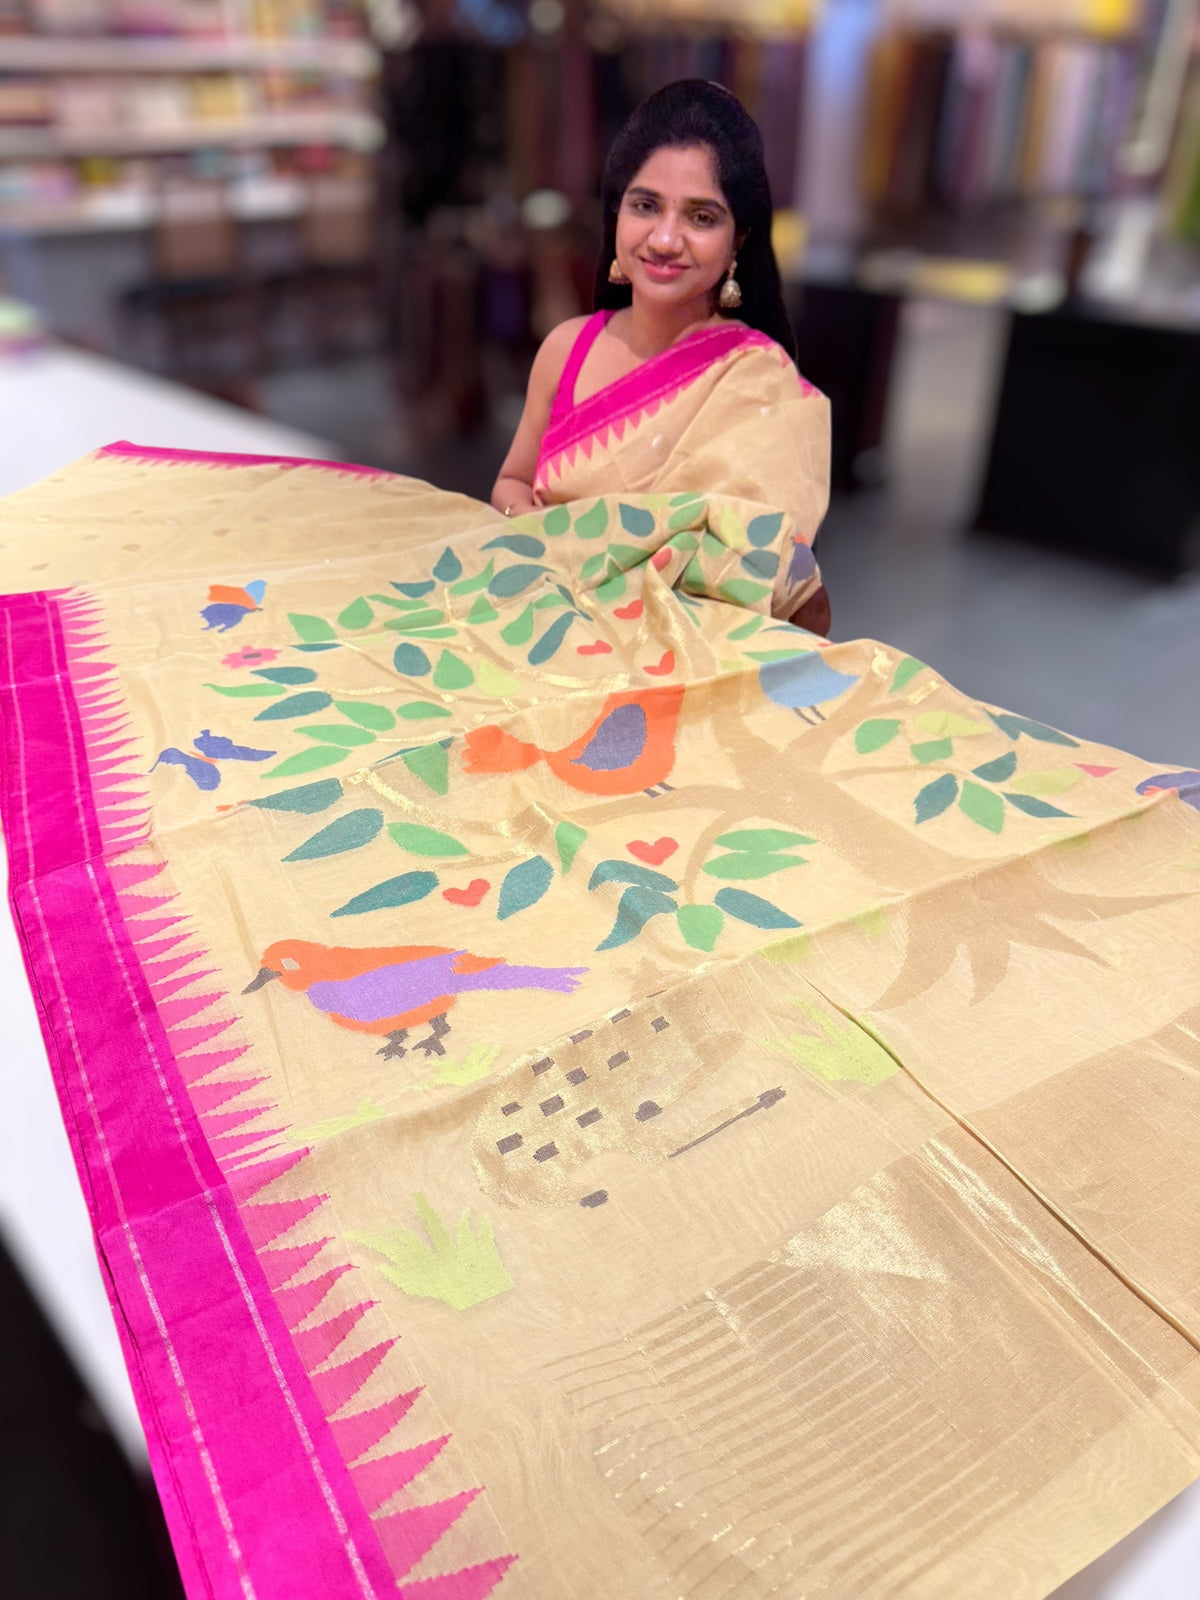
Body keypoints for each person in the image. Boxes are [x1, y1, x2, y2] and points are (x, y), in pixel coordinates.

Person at [492, 78, 832, 635]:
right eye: (646, 205)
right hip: (542, 631)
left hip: (682, 664)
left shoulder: (758, 382)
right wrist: (553, 544)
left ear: (737, 241)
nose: (666, 239)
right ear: (617, 212)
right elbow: (510, 482)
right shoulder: (566, 349)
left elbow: (760, 575)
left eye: (701, 217)